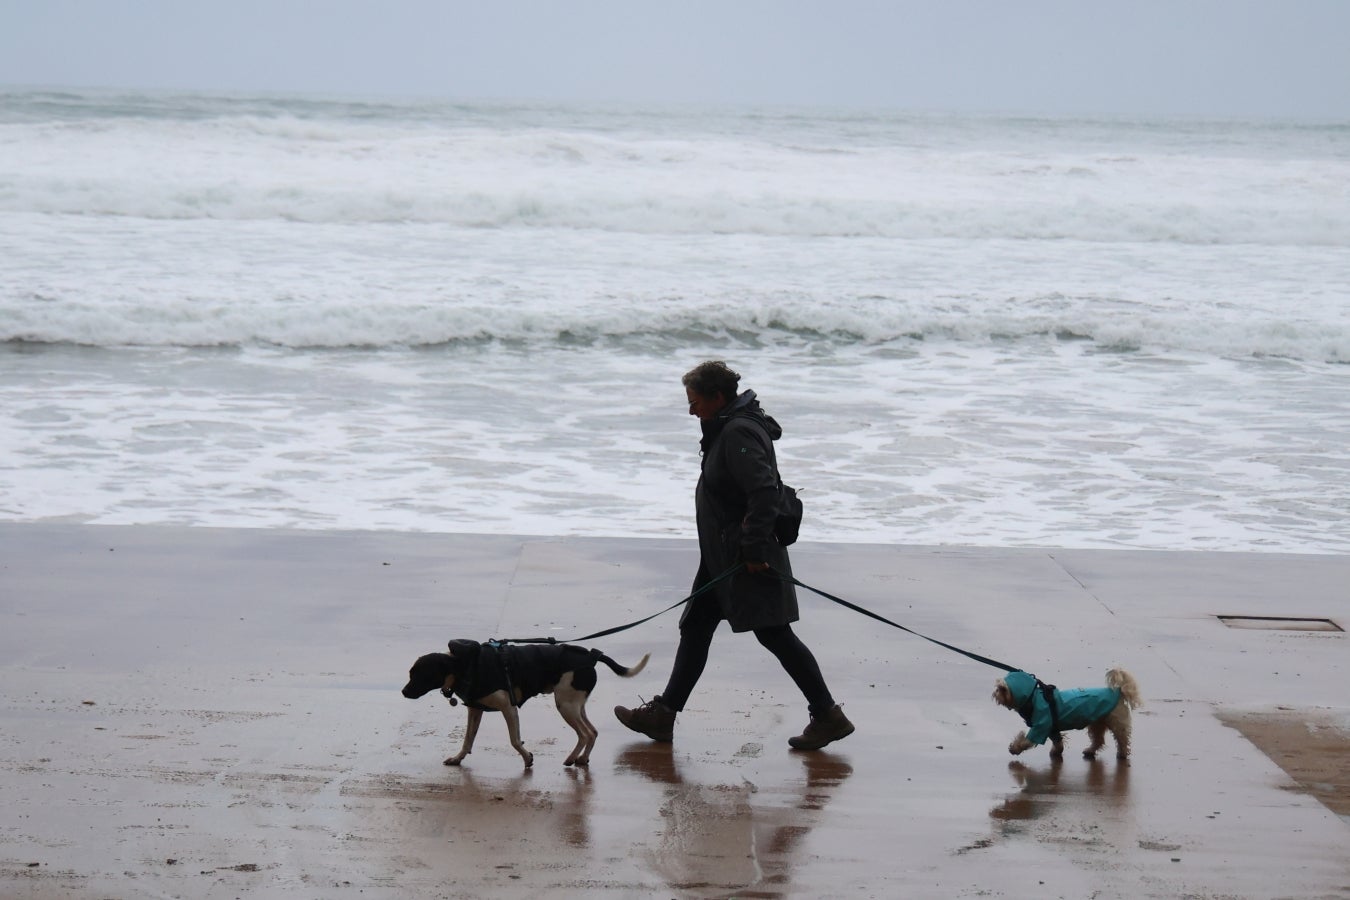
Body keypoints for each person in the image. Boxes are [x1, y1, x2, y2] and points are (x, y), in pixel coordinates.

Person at [614, 360, 854, 751]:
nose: (691, 410)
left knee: (775, 634)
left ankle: (828, 714)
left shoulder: (738, 430)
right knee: (696, 627)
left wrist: (755, 549)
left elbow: (763, 492)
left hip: (746, 556)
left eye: (695, 402)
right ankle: (664, 715)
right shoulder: (728, 425)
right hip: (724, 556)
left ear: (717, 397)